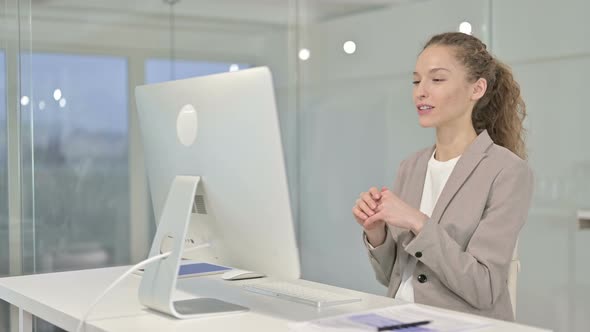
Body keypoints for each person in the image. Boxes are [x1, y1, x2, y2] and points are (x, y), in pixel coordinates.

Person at [352, 32, 533, 321]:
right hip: (397, 318)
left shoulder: (507, 171)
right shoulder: (410, 166)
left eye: (436, 80)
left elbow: (483, 288)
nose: (420, 91)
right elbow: (394, 277)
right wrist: (377, 233)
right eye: (416, 81)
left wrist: (417, 221)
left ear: (477, 89)